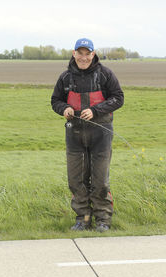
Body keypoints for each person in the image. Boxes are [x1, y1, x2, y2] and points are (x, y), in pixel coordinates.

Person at [51, 38, 124, 232]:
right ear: (73, 53)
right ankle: (82, 219)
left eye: (87, 53)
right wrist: (64, 108)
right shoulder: (65, 77)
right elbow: (55, 101)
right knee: (76, 180)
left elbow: (118, 98)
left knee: (100, 180)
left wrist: (95, 110)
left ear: (93, 54)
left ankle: (103, 220)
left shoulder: (106, 74)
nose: (84, 57)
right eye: (80, 53)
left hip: (101, 134)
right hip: (74, 134)